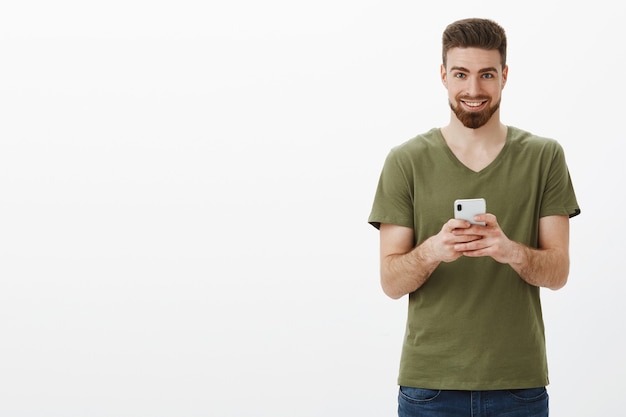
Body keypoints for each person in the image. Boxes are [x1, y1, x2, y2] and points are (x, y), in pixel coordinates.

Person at [367, 18, 580, 417]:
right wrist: (433, 250)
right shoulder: (406, 161)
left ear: (504, 77)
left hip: (519, 385)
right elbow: (391, 283)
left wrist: (510, 251)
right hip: (429, 386)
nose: (474, 90)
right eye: (461, 74)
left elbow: (558, 272)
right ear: (444, 76)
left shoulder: (544, 157)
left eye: (487, 75)